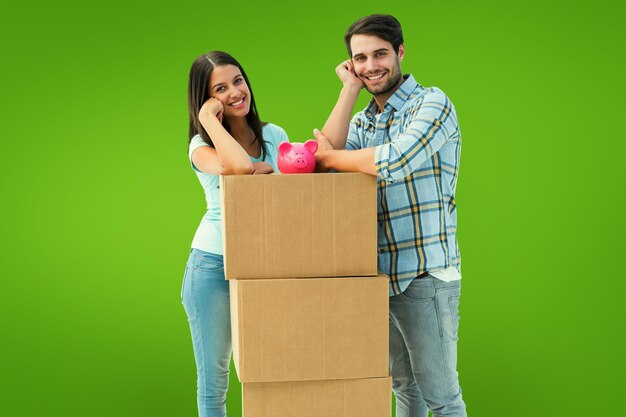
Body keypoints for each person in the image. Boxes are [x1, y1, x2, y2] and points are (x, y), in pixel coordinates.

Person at [313, 15, 467, 417]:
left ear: (400, 52)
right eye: (359, 59)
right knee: (404, 390)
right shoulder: (365, 120)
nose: (370, 66)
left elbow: (394, 160)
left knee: (442, 398)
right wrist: (348, 91)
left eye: (380, 54)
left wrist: (331, 156)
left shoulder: (432, 103)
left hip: (425, 276)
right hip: (380, 277)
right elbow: (325, 167)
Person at [182, 51, 288, 417]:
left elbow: (287, 196)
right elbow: (240, 168)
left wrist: (262, 168)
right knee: (215, 380)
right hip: (213, 267)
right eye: (220, 89)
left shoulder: (274, 136)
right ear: (206, 99)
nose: (235, 92)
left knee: (270, 371)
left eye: (238, 81)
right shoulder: (201, 147)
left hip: (265, 266)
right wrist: (208, 121)